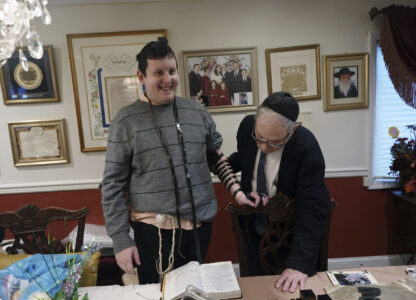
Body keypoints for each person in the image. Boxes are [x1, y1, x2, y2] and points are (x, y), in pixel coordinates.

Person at [101, 37, 255, 285]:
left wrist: (236, 192)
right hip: (153, 232)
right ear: (141, 77)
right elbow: (112, 185)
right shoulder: (126, 120)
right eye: (158, 72)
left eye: (171, 71)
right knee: (158, 292)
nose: (167, 79)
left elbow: (215, 157)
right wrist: (121, 240)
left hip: (199, 226)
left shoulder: (196, 111)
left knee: (194, 291)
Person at [228, 91, 330, 293]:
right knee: (254, 289)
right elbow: (245, 158)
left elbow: (313, 207)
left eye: (275, 143)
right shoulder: (247, 127)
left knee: (289, 289)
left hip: (291, 235)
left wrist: (299, 264)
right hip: (252, 225)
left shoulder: (306, 147)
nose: (264, 148)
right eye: (259, 138)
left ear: (292, 131)